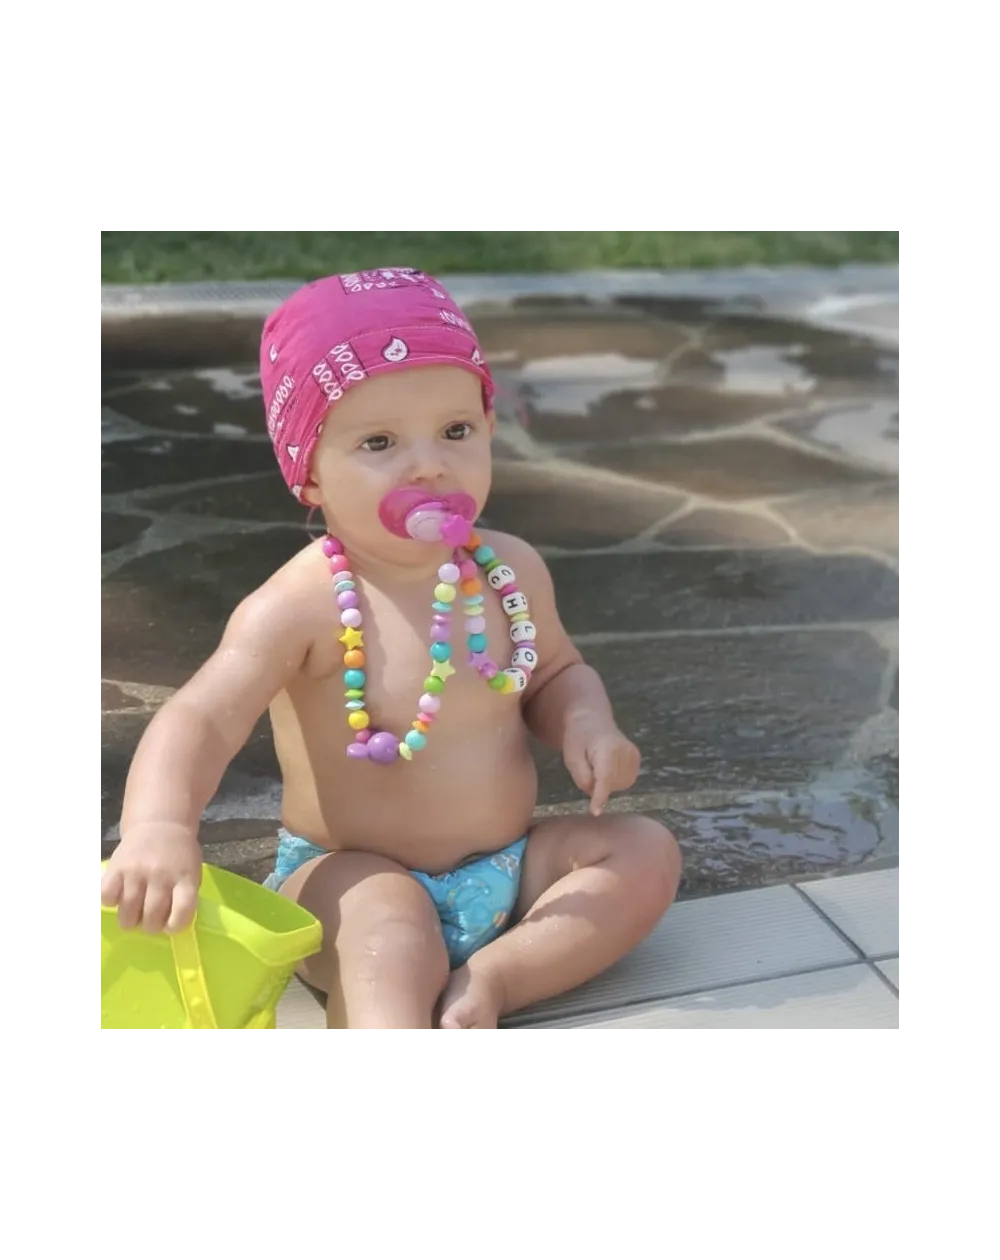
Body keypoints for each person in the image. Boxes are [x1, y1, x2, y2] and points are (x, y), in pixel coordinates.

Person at [99, 267, 682, 1031]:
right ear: (310, 474)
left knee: (644, 852)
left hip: (507, 866)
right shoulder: (299, 605)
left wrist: (586, 724)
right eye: (379, 442)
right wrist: (158, 828)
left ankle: (495, 978)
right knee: (391, 930)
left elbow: (555, 673)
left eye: (456, 431)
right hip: (348, 883)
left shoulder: (509, 572)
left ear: (489, 429)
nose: (429, 464)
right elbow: (202, 717)